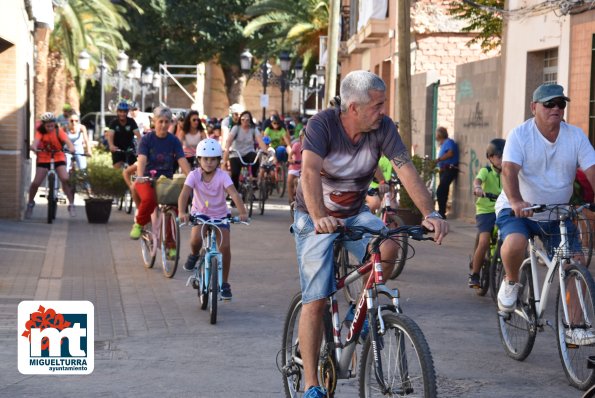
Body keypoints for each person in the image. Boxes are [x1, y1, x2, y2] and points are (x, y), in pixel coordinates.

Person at [293, 70, 449, 398]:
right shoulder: (322, 125)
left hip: (355, 213)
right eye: (377, 105)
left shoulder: (383, 128)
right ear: (353, 108)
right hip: (314, 214)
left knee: (391, 245)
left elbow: (405, 167)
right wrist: (320, 217)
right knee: (317, 297)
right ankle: (310, 384)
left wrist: (430, 213)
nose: (383, 111)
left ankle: (357, 314)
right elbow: (308, 171)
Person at [495, 84, 595, 333]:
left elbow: (592, 169)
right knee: (516, 242)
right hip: (520, 210)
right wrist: (517, 201)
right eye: (549, 104)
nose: (556, 109)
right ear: (534, 108)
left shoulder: (575, 136)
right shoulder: (520, 135)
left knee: (575, 263)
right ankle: (511, 281)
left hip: (557, 214)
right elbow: (509, 170)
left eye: (561, 104)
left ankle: (576, 327)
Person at [178, 139, 249, 300]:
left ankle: (224, 283)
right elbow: (184, 194)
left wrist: (243, 212)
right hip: (199, 214)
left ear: (218, 160)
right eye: (205, 159)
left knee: (224, 247)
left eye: (213, 159)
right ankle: (194, 255)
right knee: (196, 239)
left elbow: (234, 194)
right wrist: (183, 211)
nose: (209, 163)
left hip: (220, 215)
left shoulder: (223, 176)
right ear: (199, 160)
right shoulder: (193, 175)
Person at [129, 107, 191, 239]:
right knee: (149, 200)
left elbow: (181, 159)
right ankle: (139, 224)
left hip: (165, 180)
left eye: (166, 121)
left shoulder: (174, 140)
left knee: (175, 207)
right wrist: (140, 176)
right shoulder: (147, 139)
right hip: (146, 179)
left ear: (170, 123)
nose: (163, 125)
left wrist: (192, 176)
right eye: (160, 121)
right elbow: (142, 159)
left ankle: (170, 244)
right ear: (154, 121)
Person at [468, 138, 505, 288]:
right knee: (484, 241)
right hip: (486, 210)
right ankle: (475, 275)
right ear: (490, 157)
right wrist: (478, 188)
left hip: (502, 209)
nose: (503, 160)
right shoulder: (486, 171)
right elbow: (477, 180)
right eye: (499, 156)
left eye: (505, 156)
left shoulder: (509, 171)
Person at [25, 112, 76, 218]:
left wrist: (71, 148)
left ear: (55, 124)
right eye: (47, 126)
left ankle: (71, 205)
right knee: (36, 182)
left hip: (58, 156)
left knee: (65, 179)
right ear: (43, 125)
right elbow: (35, 142)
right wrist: (34, 147)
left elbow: (68, 142)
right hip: (44, 157)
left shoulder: (59, 131)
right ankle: (30, 204)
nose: (50, 128)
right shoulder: (40, 132)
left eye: (52, 125)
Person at [222, 110, 268, 191]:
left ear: (250, 120)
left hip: (248, 152)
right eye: (243, 119)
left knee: (255, 157)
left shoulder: (253, 129)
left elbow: (260, 140)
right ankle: (235, 195)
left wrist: (265, 151)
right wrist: (227, 149)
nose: (245, 122)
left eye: (247, 120)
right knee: (235, 174)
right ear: (240, 120)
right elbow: (229, 140)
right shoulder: (236, 128)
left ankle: (253, 179)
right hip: (236, 154)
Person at [107, 101, 141, 168]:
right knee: (117, 168)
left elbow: (138, 136)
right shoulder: (114, 123)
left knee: (134, 168)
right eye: (120, 111)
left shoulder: (131, 121)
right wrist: (111, 145)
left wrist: (140, 147)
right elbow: (110, 135)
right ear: (117, 112)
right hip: (117, 150)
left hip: (130, 149)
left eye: (124, 111)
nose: (122, 114)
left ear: (127, 112)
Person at [434, 126, 459, 218]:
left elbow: (450, 153)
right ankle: (442, 212)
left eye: (437, 134)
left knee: (440, 190)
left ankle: (441, 212)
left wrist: (439, 159)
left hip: (450, 169)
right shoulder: (442, 144)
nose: (436, 136)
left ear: (441, 134)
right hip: (444, 170)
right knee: (443, 191)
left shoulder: (449, 142)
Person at [287, 129, 304, 205]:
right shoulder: (296, 145)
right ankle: (291, 199)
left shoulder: (311, 146)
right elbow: (291, 154)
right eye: (304, 137)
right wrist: (290, 159)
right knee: (289, 180)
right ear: (300, 137)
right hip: (295, 167)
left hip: (304, 169)